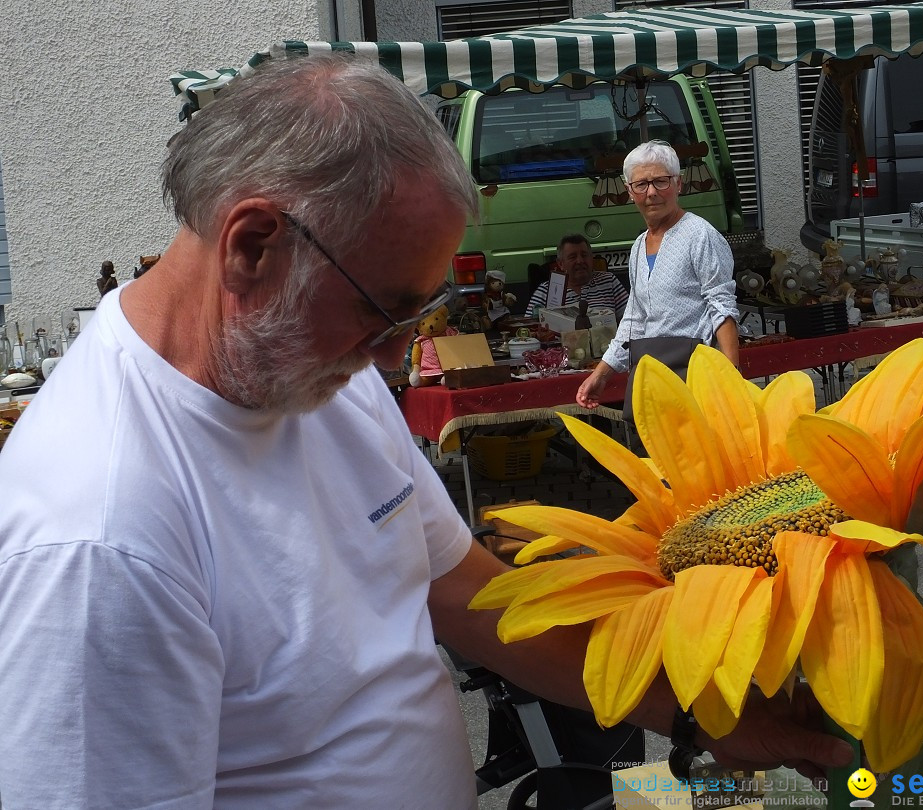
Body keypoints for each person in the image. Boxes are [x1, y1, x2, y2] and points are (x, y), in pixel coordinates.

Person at [0, 58, 849, 808]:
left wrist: (705, 713)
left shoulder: (318, 373)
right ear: (252, 246)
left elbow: (470, 598)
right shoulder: (98, 534)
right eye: (387, 312)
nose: (402, 355)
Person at [575, 140, 739, 409]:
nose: (651, 192)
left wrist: (732, 376)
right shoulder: (639, 246)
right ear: (629, 191)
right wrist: (601, 375)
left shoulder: (700, 235)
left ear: (678, 184)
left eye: (661, 181)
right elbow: (634, 319)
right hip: (650, 376)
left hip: (693, 374)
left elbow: (721, 306)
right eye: (641, 184)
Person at [526, 233, 629, 319]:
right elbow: (528, 330)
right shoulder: (546, 290)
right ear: (561, 264)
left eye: (584, 255)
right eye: (573, 257)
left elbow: (633, 319)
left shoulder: (609, 281)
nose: (580, 261)